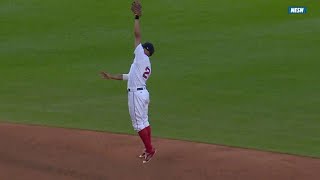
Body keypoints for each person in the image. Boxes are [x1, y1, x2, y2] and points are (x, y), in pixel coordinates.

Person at [100, 1, 156, 164]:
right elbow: (128, 76)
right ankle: (148, 149)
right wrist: (111, 76)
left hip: (136, 95)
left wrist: (137, 17)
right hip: (143, 93)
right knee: (144, 122)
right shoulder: (145, 65)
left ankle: (150, 150)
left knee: (138, 125)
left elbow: (137, 35)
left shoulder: (141, 56)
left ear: (146, 50)